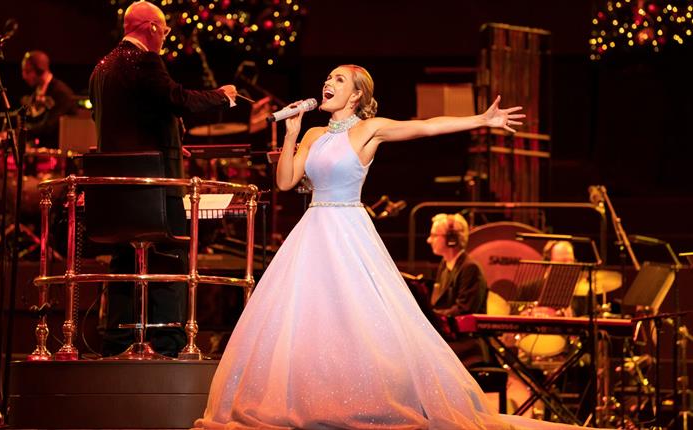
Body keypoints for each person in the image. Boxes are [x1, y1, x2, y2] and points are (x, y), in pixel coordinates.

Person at [195, 65, 586, 429]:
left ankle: (367, 397)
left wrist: (481, 120)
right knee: (306, 316)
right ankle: (307, 398)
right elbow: (285, 182)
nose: (328, 83)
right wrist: (293, 132)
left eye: (340, 80)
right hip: (313, 226)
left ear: (356, 95)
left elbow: (426, 127)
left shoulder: (368, 129)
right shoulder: (314, 134)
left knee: (359, 316)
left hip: (348, 227)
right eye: (328, 77)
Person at [89, 0, 237, 357]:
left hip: (116, 188)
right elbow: (176, 98)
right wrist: (222, 96)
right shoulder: (143, 60)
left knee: (125, 260)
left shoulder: (101, 67)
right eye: (165, 31)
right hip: (153, 184)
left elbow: (131, 120)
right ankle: (172, 343)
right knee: (171, 253)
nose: (165, 37)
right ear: (153, 28)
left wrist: (171, 141)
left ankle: (116, 342)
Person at [427, 213, 489, 368]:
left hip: (467, 342)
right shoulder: (445, 264)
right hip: (451, 335)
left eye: (434, 235)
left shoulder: (469, 268)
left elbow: (464, 310)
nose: (429, 240)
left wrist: (434, 318)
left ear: (451, 239)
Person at [20, 50, 77, 149]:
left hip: (59, 155)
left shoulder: (61, 92)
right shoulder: (38, 91)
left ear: (39, 70)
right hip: (42, 150)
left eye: (28, 71)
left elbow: (49, 126)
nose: (24, 76)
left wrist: (22, 132)